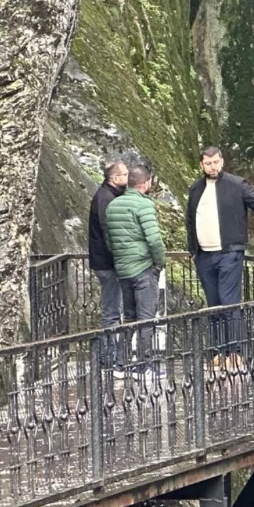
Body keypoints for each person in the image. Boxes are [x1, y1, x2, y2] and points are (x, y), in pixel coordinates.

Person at [186, 147, 254, 368]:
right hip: (204, 255)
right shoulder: (196, 189)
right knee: (213, 303)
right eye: (208, 163)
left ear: (222, 162)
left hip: (229, 252)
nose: (212, 167)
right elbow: (190, 220)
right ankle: (219, 352)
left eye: (216, 162)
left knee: (228, 300)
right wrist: (192, 249)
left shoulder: (236, 184)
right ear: (202, 165)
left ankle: (235, 352)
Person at [106, 164, 166, 373]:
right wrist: (159, 263)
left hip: (123, 270)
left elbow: (109, 240)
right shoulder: (144, 205)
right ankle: (144, 365)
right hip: (143, 268)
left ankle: (120, 364)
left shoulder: (113, 206)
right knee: (146, 319)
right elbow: (154, 240)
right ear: (146, 183)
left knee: (129, 318)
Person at [88, 159, 128, 367]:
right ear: (114, 178)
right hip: (107, 263)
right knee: (112, 311)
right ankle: (108, 357)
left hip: (106, 261)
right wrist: (119, 256)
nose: (128, 178)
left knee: (113, 309)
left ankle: (111, 355)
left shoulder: (109, 195)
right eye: (124, 175)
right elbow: (108, 231)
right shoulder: (106, 198)